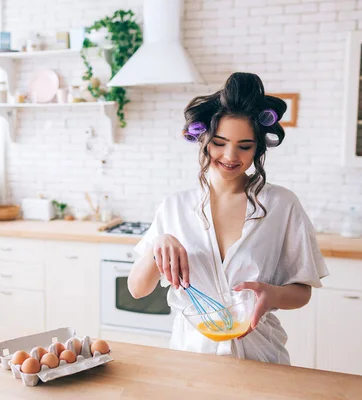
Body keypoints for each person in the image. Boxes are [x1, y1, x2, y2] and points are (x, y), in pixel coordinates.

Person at [128, 72, 329, 365]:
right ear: (204, 141)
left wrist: (271, 295)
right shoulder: (174, 207)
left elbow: (302, 291)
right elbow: (137, 289)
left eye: (244, 146)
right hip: (191, 357)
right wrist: (158, 245)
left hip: (260, 356)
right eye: (220, 143)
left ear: (258, 148)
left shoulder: (282, 205)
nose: (230, 155)